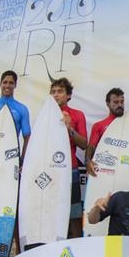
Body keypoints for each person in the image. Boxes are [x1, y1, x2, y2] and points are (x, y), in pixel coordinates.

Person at [50, 77, 88, 237]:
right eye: (53, 92)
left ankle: (78, 251)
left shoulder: (77, 115)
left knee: (74, 214)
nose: (56, 95)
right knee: (51, 212)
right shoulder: (46, 115)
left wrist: (70, 128)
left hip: (70, 169)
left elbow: (84, 144)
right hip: (49, 170)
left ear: (69, 95)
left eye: (60, 91)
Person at [85, 87, 129, 177]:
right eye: (116, 102)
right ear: (107, 103)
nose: (120, 105)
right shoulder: (99, 125)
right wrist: (87, 161)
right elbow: (91, 146)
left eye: (122, 102)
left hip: (127, 169)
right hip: (106, 170)